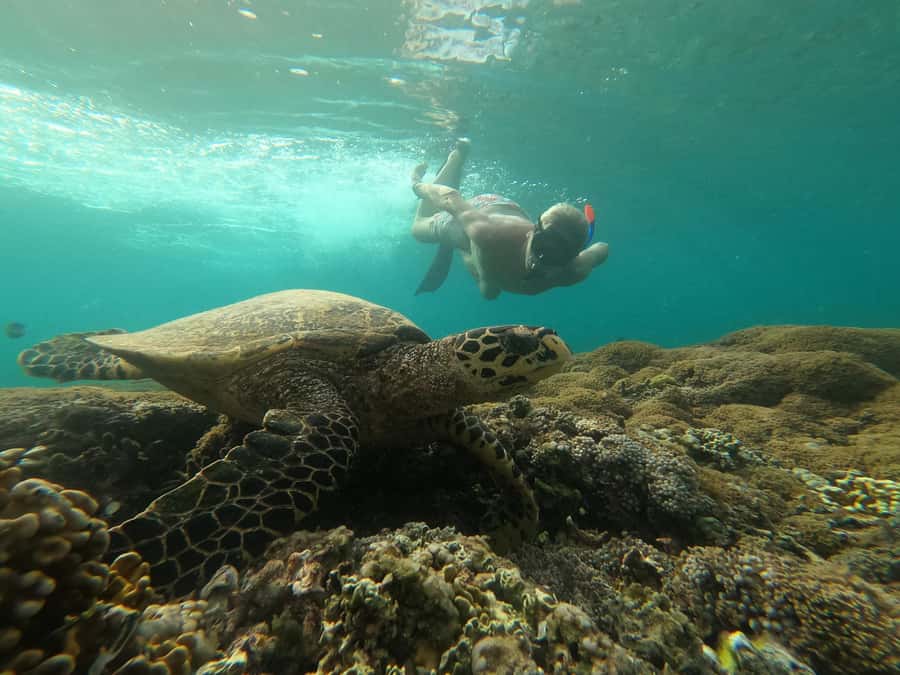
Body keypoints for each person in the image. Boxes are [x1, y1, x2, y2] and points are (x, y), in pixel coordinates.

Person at [410, 138, 609, 300]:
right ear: (532, 229)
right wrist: (418, 186)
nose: (543, 260)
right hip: (485, 210)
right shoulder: (486, 232)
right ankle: (456, 158)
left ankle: (469, 254)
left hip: (494, 248)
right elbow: (449, 198)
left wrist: (589, 252)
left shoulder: (574, 270)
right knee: (418, 229)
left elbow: (602, 250)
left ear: (573, 256)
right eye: (544, 244)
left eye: (560, 254)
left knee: (489, 292)